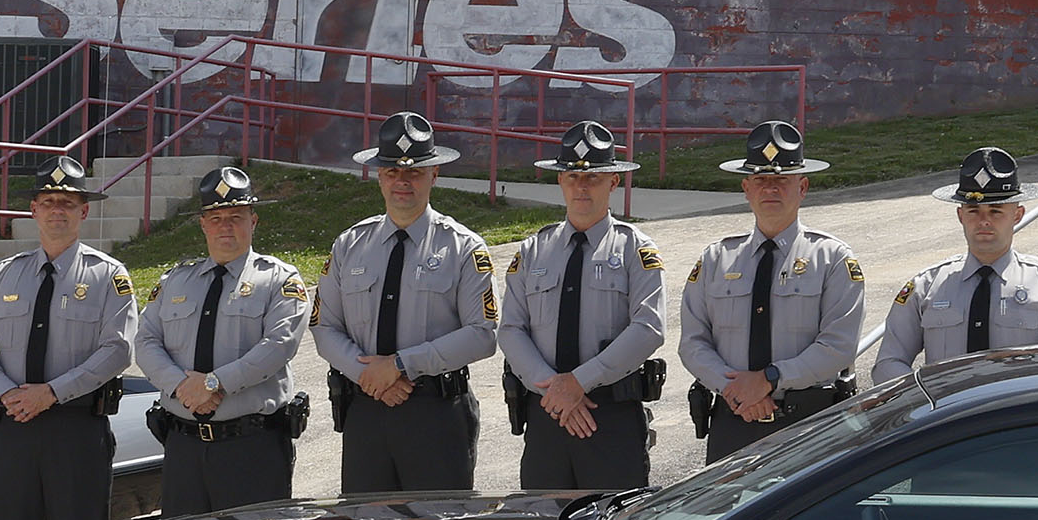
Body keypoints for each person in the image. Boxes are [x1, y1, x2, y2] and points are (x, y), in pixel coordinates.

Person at [0, 151, 132, 520]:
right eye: (49, 202)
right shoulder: (3, 275)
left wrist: (51, 393)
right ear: (33, 209)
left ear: (84, 211)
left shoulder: (108, 276)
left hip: (74, 433)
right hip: (13, 430)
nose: (58, 210)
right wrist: (7, 395)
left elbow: (118, 350)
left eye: (68, 203)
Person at [312, 111, 499, 493]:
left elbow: (482, 335)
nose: (402, 181)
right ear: (379, 175)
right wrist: (368, 374)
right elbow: (324, 326)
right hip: (365, 411)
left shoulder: (462, 247)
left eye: (414, 172)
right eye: (392, 172)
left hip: (436, 415)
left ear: (434, 175)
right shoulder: (350, 245)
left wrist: (400, 366)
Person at [676, 120, 866, 460]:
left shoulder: (833, 258)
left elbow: (839, 346)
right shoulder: (716, 259)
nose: (770, 189)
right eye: (761, 180)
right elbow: (693, 342)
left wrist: (769, 379)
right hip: (733, 421)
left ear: (803, 187)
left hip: (811, 425)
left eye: (781, 180)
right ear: (747, 188)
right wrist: (735, 390)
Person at [496, 120, 668, 493]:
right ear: (560, 181)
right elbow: (511, 329)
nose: (581, 185)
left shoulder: (635, 250)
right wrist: (555, 392)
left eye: (593, 177)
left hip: (610, 417)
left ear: (614, 182)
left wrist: (579, 383)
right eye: (572, 177)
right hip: (548, 417)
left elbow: (649, 328)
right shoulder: (533, 250)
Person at [131, 164, 313, 512]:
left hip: (252, 448)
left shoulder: (278, 279)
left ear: (253, 221)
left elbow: (279, 345)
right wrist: (182, 386)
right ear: (202, 224)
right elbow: (146, 341)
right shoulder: (175, 281)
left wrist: (214, 384)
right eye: (215, 218)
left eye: (236, 216)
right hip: (183, 448)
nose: (225, 226)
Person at [873, 146, 1038, 386]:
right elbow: (888, 363)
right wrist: (926, 398)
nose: (984, 220)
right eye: (973, 211)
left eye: (996, 211)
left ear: (1017, 215)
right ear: (960, 215)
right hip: (945, 416)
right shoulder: (926, 288)